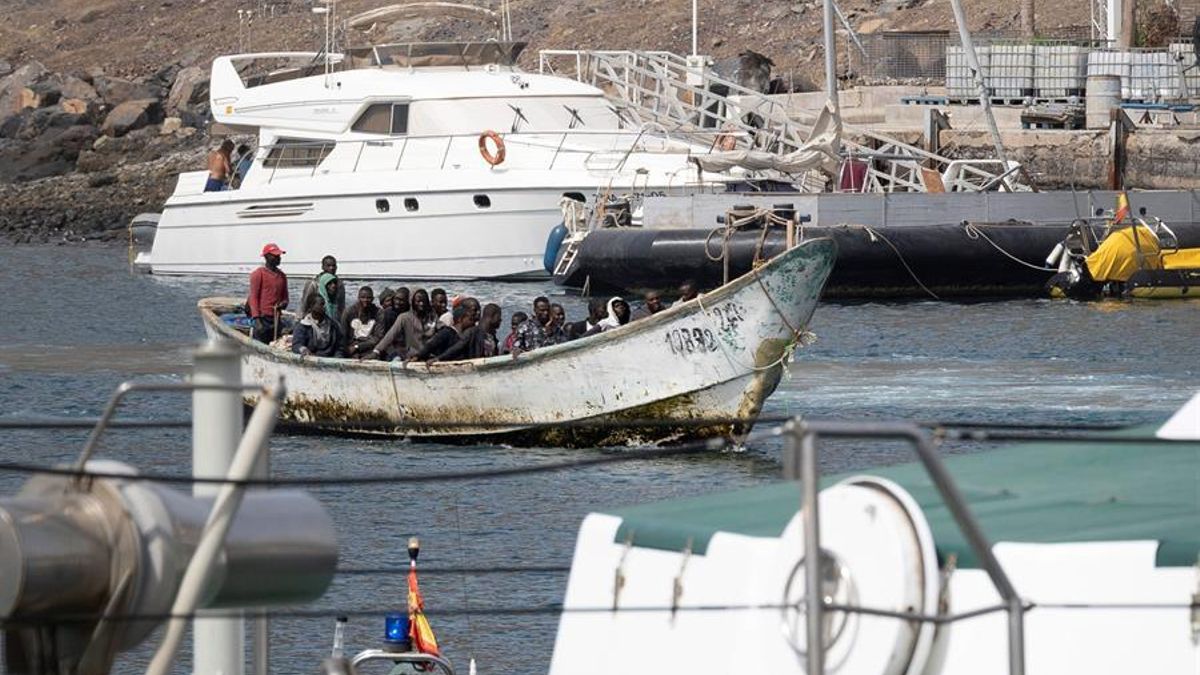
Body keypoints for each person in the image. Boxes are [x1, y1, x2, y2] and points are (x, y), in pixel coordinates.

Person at [372, 288, 436, 360]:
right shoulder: (404, 317)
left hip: (431, 354)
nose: (421, 304)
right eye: (418, 301)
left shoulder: (433, 316)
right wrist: (376, 351)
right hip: (413, 355)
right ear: (412, 301)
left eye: (424, 301)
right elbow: (391, 335)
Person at [247, 242, 289, 343]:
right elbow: (254, 298)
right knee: (260, 341)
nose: (279, 258)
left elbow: (286, 298)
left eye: (279, 256)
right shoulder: (258, 274)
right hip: (262, 318)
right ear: (267, 257)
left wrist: (283, 304)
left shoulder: (282, 276)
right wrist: (256, 319)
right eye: (275, 256)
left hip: (276, 318)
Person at [411, 302, 476, 362]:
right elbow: (431, 344)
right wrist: (417, 356)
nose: (473, 323)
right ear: (460, 319)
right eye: (470, 319)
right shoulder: (446, 332)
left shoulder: (466, 335)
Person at [300, 256, 346, 321]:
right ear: (322, 267)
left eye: (333, 266)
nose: (331, 268)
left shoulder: (339, 284)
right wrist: (300, 320)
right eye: (328, 266)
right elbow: (304, 304)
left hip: (333, 319)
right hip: (315, 319)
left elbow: (342, 306)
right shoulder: (313, 284)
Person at [341, 286, 381, 359]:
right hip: (351, 348)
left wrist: (358, 347)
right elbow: (343, 335)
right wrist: (347, 349)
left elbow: (377, 337)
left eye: (368, 298)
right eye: (362, 297)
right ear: (358, 298)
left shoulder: (378, 313)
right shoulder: (349, 312)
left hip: (370, 348)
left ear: (372, 299)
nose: (365, 300)